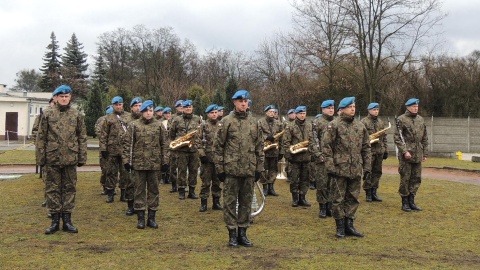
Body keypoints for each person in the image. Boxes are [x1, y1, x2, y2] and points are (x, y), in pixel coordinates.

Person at [214, 89, 264, 247]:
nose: (243, 103)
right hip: (231, 170)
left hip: (249, 170)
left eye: (246, 101)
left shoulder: (255, 122)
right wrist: (220, 169)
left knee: (246, 202)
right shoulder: (227, 121)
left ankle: (243, 232)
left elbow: (260, 147)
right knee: (229, 202)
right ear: (234, 102)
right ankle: (232, 234)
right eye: (240, 101)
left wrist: (259, 168)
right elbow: (218, 147)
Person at [35, 85, 87, 234]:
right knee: (52, 189)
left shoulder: (76, 115)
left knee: (69, 189)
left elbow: (82, 137)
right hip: (52, 158)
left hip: (70, 158)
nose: (64, 99)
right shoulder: (47, 114)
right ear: (56, 98)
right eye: (61, 96)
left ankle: (68, 221)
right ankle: (54, 221)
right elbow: (41, 137)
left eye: (67, 96)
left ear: (70, 97)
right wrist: (40, 158)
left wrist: (82, 156)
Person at [322, 97, 371, 238]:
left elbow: (366, 148)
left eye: (354, 106)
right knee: (338, 199)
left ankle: (350, 224)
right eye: (350, 107)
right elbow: (326, 147)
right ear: (342, 109)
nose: (353, 109)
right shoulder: (334, 125)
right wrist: (330, 167)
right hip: (339, 169)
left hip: (355, 168)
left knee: (353, 197)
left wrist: (367, 167)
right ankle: (340, 226)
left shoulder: (360, 126)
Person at [122, 100, 169, 229]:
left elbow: (165, 145)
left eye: (150, 111)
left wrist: (165, 161)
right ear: (141, 112)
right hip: (139, 165)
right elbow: (128, 145)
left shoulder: (159, 126)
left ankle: (152, 218)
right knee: (139, 191)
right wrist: (127, 161)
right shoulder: (134, 126)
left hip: (154, 165)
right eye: (146, 111)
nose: (148, 113)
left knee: (154, 191)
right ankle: (141, 218)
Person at [281, 106, 320, 207]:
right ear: (296, 114)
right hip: (295, 158)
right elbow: (286, 142)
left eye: (304, 113)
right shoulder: (290, 126)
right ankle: (295, 198)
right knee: (294, 179)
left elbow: (312, 141)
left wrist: (313, 153)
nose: (302, 115)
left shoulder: (309, 126)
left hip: (306, 157)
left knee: (305, 179)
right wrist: (288, 155)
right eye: (300, 113)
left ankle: (302, 197)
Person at [394, 98, 428, 212]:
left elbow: (425, 137)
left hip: (418, 153)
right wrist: (404, 151)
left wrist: (425, 153)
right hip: (407, 155)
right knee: (405, 178)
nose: (416, 108)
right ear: (407, 107)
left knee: (416, 178)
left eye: (417, 106)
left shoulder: (420, 119)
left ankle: (412, 200)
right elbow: (397, 138)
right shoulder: (401, 119)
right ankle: (405, 202)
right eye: (413, 106)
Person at [169, 100, 202, 200]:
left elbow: (201, 132)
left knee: (193, 171)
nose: (188, 109)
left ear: (192, 108)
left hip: (194, 150)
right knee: (182, 171)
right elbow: (171, 134)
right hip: (181, 150)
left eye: (190, 107)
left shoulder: (198, 119)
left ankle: (192, 191)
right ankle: (182, 191)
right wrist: (178, 143)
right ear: (183, 108)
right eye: (186, 107)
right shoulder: (176, 119)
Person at [99, 96, 127, 203]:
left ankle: (123, 194)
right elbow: (103, 135)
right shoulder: (108, 118)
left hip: (124, 150)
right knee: (111, 173)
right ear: (113, 105)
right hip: (112, 150)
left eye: (120, 104)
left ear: (123, 104)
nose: (118, 106)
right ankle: (110, 194)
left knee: (125, 173)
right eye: (116, 104)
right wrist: (103, 149)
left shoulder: (128, 117)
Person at [197, 104, 223, 212]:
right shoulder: (203, 125)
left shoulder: (221, 125)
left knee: (217, 182)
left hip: (217, 159)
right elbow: (197, 142)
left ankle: (216, 202)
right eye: (212, 113)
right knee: (206, 182)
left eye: (216, 112)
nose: (214, 114)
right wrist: (202, 155)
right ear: (208, 114)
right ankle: (204, 203)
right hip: (206, 159)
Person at [361, 102, 388, 202]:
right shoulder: (364, 122)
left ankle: (374, 192)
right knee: (368, 172)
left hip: (379, 151)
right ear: (369, 110)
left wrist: (385, 149)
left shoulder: (380, 122)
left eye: (377, 110)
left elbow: (384, 137)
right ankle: (368, 192)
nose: (376, 111)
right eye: (374, 110)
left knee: (377, 172)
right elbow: (361, 137)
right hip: (369, 151)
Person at [313, 100, 335, 218]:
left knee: (332, 183)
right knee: (322, 183)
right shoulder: (317, 122)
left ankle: (329, 206)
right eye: (329, 108)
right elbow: (313, 140)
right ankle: (322, 207)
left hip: (333, 158)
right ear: (323, 109)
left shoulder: (336, 122)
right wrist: (318, 154)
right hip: (321, 158)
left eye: (332, 108)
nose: (331, 110)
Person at [258, 104, 284, 196]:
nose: (272, 114)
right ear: (266, 112)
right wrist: (266, 137)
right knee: (263, 169)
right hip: (264, 149)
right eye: (270, 112)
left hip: (274, 150)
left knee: (273, 169)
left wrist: (281, 151)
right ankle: (265, 187)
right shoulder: (260, 122)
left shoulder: (278, 123)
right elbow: (257, 134)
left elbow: (282, 138)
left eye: (273, 112)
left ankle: (271, 187)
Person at [95, 105, 113, 196]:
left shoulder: (118, 119)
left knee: (113, 170)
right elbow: (98, 133)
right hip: (104, 148)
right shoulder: (101, 120)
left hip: (114, 148)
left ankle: (112, 188)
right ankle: (105, 187)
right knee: (105, 169)